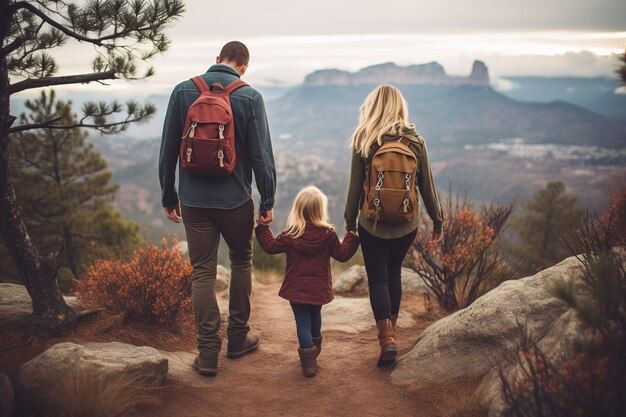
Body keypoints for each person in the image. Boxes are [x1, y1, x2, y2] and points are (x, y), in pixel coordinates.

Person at [159, 41, 276, 377]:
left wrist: (169, 195)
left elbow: (168, 148)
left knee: (203, 273)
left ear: (216, 60)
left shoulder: (183, 91)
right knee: (241, 261)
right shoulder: (250, 97)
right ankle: (237, 339)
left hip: (194, 201)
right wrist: (266, 201)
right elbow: (261, 157)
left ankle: (208, 353)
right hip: (236, 200)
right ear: (244, 66)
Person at [344, 84, 444, 367]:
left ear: (372, 106)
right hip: (405, 224)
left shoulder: (364, 139)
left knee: (378, 279)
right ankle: (393, 333)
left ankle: (386, 338)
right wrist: (438, 220)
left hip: (371, 222)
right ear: (401, 106)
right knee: (394, 274)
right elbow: (427, 187)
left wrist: (350, 221)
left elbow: (354, 188)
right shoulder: (415, 141)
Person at [255, 186, 359, 377]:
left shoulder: (290, 234)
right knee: (315, 316)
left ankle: (308, 362)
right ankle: (314, 349)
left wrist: (262, 227)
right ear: (321, 210)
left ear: (297, 209)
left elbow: (269, 246)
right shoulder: (328, 235)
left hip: (296, 289)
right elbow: (342, 254)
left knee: (302, 324)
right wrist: (352, 237)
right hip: (318, 288)